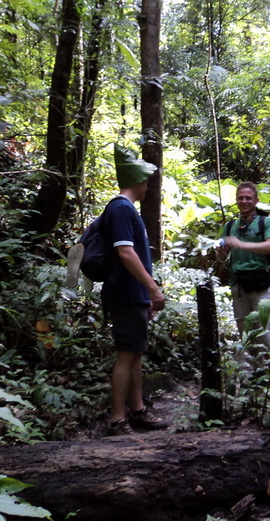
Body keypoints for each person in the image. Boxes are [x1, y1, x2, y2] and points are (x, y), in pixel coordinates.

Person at [103, 144, 167, 436]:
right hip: (126, 293)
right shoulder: (120, 208)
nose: (147, 186)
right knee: (127, 355)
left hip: (134, 295)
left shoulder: (126, 209)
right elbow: (126, 253)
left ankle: (138, 410)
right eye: (145, 181)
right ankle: (118, 420)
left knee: (135, 353)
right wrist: (152, 289)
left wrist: (147, 294)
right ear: (136, 181)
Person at [216, 181, 270, 354]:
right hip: (238, 284)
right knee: (245, 332)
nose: (244, 201)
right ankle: (254, 375)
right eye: (241, 198)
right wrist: (220, 251)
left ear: (256, 200)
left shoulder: (265, 222)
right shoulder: (230, 226)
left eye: (248, 198)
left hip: (261, 284)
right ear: (236, 200)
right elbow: (222, 259)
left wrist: (241, 244)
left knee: (265, 331)